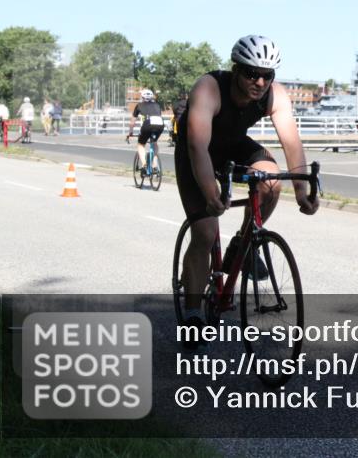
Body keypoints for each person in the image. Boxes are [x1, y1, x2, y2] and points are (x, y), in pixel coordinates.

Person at [175, 35, 318, 335]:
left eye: (267, 75)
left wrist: (302, 191)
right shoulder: (209, 88)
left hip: (234, 145)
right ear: (236, 70)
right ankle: (192, 314)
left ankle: (241, 244)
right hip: (197, 150)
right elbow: (197, 147)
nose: (260, 82)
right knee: (204, 232)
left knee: (271, 180)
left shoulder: (275, 95)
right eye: (252, 73)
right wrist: (211, 193)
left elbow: (291, 140)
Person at [128, 90, 165, 170]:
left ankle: (144, 164)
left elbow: (132, 122)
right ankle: (155, 165)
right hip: (160, 124)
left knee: (141, 144)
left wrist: (130, 132)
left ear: (142, 97)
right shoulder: (157, 105)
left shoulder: (139, 105)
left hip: (148, 124)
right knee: (154, 143)